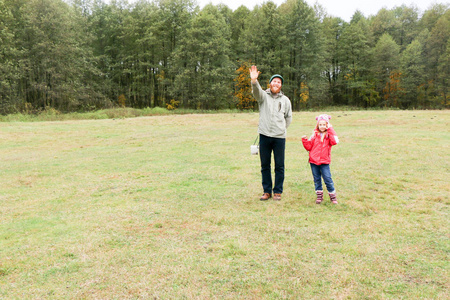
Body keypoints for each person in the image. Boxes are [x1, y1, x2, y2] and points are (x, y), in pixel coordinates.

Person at [249, 65, 292, 201]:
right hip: (264, 136)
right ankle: (267, 191)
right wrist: (254, 81)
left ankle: (278, 192)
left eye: (279, 82)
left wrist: (281, 129)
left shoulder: (285, 100)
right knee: (265, 165)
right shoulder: (263, 97)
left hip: (279, 138)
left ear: (281, 86)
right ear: (270, 83)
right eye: (274, 81)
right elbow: (256, 92)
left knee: (279, 166)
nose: (276, 83)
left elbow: (288, 117)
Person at [302, 114, 339, 204]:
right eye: (320, 124)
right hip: (313, 161)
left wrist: (330, 129)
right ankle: (319, 196)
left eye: (324, 124)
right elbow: (309, 147)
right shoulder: (314, 135)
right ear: (317, 125)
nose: (322, 126)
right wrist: (305, 141)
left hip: (324, 161)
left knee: (327, 179)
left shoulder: (328, 136)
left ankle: (333, 197)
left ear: (327, 125)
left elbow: (335, 141)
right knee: (317, 179)